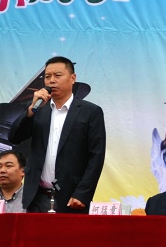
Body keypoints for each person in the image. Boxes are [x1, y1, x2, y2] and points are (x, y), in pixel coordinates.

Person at [10, 56, 106, 213]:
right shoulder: (38, 110)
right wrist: (31, 109)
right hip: (37, 197)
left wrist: (83, 193)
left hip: (72, 197)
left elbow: (96, 156)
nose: (51, 81)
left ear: (73, 78)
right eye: (47, 77)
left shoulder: (90, 112)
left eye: (57, 75)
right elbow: (14, 138)